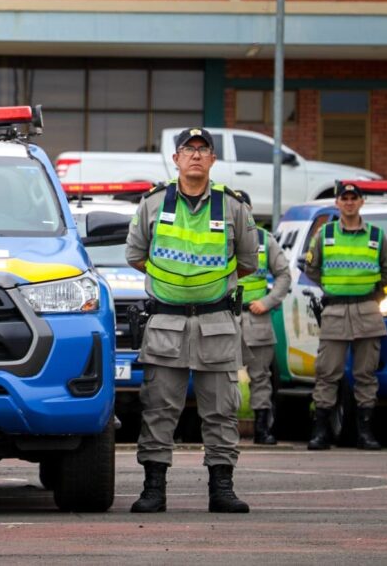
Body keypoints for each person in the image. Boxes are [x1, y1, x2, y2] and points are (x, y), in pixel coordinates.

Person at [125, 127, 258, 514]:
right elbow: (135, 254)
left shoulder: (233, 206)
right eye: (189, 149)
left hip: (216, 323)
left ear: (213, 159)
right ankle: (153, 489)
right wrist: (174, 285)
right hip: (166, 323)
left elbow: (248, 261)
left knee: (221, 410)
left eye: (203, 149)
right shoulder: (153, 203)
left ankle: (222, 488)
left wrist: (205, 286)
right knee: (158, 408)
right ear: (176, 158)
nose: (196, 155)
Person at [304, 182, 387, 451]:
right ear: (337, 203)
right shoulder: (325, 234)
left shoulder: (376, 236)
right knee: (327, 373)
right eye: (344, 198)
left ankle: (365, 433)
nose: (348, 203)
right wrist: (334, 287)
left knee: (366, 374)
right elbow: (312, 268)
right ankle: (321, 432)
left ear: (361, 202)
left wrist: (370, 289)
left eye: (353, 198)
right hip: (335, 311)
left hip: (367, 310)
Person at [234, 191, 291, 445]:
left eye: (243, 206)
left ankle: (261, 428)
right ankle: (222, 428)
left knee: (260, 377)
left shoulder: (264, 240)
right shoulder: (216, 237)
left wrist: (267, 302)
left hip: (256, 318)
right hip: (226, 317)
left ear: (250, 209)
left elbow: (284, 275)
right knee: (221, 376)